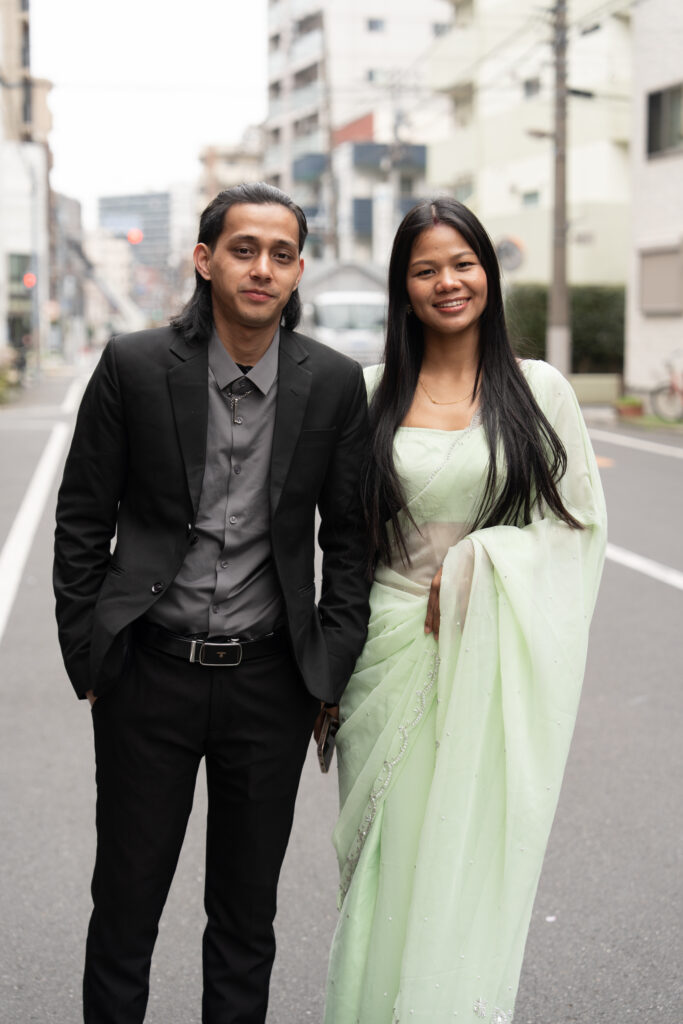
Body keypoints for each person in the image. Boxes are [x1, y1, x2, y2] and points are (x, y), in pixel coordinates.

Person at [53, 182, 370, 1024]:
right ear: (205, 259)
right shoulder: (133, 365)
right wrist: (90, 656)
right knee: (125, 908)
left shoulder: (333, 383)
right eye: (243, 249)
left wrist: (327, 671)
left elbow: (350, 539)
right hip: (148, 674)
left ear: (297, 271)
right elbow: (82, 517)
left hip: (270, 683)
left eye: (281, 254)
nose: (262, 268)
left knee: (244, 918)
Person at [323, 198, 607, 1024]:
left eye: (462, 264)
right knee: (387, 859)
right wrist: (323, 670)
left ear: (487, 273)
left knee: (463, 855)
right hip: (382, 651)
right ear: (402, 288)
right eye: (425, 269)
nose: (447, 282)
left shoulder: (538, 391)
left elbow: (576, 527)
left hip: (481, 653)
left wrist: (477, 564)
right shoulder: (367, 393)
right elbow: (339, 540)